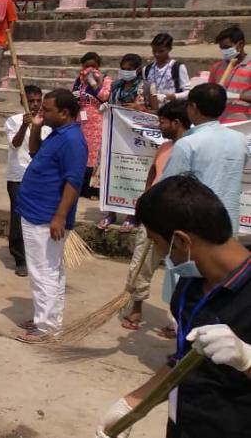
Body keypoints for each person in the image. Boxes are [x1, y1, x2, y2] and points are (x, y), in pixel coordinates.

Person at [96, 175, 251, 438]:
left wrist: (247, 361)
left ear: (181, 240)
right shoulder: (191, 283)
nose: (159, 254)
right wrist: (133, 404)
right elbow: (182, 360)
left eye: (156, 242)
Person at [15, 89, 87, 342]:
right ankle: (46, 319)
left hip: (45, 217)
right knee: (51, 271)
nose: (41, 112)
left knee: (43, 271)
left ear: (64, 113)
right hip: (36, 212)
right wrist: (35, 127)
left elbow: (74, 182)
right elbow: (35, 152)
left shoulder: (72, 141)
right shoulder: (58, 134)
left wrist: (59, 216)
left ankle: (46, 328)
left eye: (47, 110)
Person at [121, 100, 190, 335]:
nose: (159, 126)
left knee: (182, 271)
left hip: (179, 219)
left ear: (176, 122)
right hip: (154, 215)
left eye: (162, 122)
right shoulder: (164, 147)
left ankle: (177, 320)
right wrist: (146, 198)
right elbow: (153, 172)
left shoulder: (191, 148)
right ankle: (137, 308)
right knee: (141, 262)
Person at [161, 83, 247, 234]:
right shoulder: (240, 140)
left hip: (197, 228)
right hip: (229, 226)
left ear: (193, 107)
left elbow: (168, 188)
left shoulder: (188, 143)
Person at [98, 53, 147, 231]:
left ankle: (131, 215)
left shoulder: (144, 86)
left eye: (129, 69)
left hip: (134, 138)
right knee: (110, 173)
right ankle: (110, 213)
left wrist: (139, 108)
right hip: (114, 135)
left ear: (138, 70)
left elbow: (150, 109)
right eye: (123, 69)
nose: (126, 72)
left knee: (131, 175)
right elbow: (109, 102)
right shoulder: (116, 85)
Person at [4, 84, 48, 278]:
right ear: (23, 101)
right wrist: (24, 124)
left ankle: (37, 255)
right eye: (31, 101)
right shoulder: (12, 121)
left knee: (39, 217)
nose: (35, 104)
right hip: (18, 176)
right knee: (18, 217)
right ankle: (20, 257)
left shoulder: (47, 122)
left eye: (39, 100)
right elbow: (14, 144)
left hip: (40, 176)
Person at [72, 52, 108, 198]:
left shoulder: (105, 79)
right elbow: (74, 96)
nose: (89, 69)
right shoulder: (79, 80)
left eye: (93, 66)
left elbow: (105, 96)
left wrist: (93, 83)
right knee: (82, 153)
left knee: (95, 155)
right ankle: (80, 187)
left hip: (97, 122)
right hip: (81, 121)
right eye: (86, 66)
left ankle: (93, 189)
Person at [209, 26, 251, 123]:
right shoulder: (217, 67)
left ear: (240, 44)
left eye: (227, 47)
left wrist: (236, 96)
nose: (224, 51)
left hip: (244, 123)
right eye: (222, 48)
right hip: (219, 122)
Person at [143, 33, 193, 110]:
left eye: (161, 51)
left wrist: (173, 96)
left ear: (169, 49)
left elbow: (188, 92)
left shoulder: (177, 67)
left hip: (172, 110)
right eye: (154, 50)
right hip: (152, 111)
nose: (157, 54)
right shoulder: (147, 69)